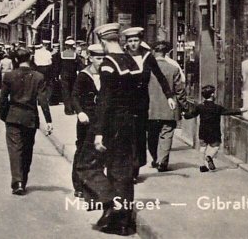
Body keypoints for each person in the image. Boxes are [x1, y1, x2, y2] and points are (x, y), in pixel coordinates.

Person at [79, 23, 175, 236]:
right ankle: (122, 223)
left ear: (103, 41)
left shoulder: (108, 64)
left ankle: (111, 201)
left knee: (85, 165)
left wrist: (99, 133)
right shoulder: (134, 62)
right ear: (119, 40)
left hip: (111, 123)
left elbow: (105, 101)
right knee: (121, 171)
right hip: (131, 122)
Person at [0, 47, 53, 195]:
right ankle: (23, 179)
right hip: (30, 118)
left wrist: (4, 116)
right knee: (28, 150)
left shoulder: (9, 76)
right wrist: (49, 120)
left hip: (13, 117)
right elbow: (43, 100)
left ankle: (18, 182)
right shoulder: (38, 77)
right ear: (30, 59)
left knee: (15, 150)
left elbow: (2, 99)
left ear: (15, 60)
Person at [122, 27, 172, 180]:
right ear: (126, 43)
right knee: (126, 136)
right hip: (124, 103)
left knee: (139, 136)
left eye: (136, 40)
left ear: (140, 41)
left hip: (142, 103)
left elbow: (160, 76)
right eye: (130, 41)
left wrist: (169, 96)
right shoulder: (122, 57)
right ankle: (127, 168)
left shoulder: (148, 57)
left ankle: (135, 168)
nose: (133, 44)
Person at [148, 41, 188, 172]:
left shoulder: (147, 69)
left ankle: (155, 158)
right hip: (169, 108)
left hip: (150, 109)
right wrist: (185, 105)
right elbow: (180, 90)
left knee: (152, 135)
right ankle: (162, 162)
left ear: (154, 52)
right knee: (166, 135)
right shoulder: (174, 69)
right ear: (166, 53)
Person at [72, 43, 103, 198]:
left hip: (101, 119)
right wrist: (80, 112)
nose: (101, 61)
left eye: (103, 57)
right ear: (91, 58)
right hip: (86, 118)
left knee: (99, 152)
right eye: (98, 58)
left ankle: (94, 184)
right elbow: (75, 96)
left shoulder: (107, 74)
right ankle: (78, 185)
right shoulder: (84, 75)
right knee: (82, 150)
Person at [195, 85, 242, 172]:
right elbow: (228, 111)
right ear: (212, 94)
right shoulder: (217, 107)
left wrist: (184, 114)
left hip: (202, 131)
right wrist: (240, 110)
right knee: (216, 146)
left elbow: (191, 114)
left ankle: (202, 166)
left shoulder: (200, 106)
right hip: (214, 132)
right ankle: (209, 157)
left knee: (202, 148)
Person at [55, 38, 80, 115]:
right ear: (72, 46)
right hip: (73, 75)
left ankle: (68, 110)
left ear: (66, 46)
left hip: (64, 75)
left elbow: (58, 66)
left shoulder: (61, 54)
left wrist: (57, 75)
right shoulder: (75, 55)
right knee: (72, 91)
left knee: (65, 92)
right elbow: (79, 65)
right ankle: (73, 107)